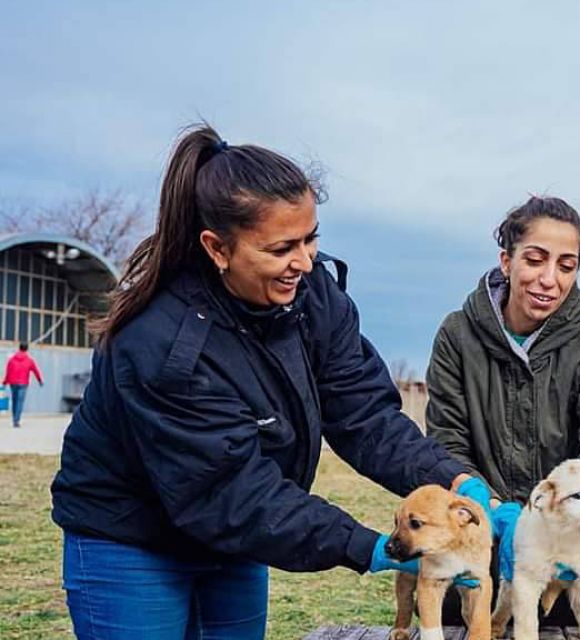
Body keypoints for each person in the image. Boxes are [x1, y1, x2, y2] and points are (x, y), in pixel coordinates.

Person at [50, 125, 492, 640]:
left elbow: (363, 413)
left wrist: (456, 479)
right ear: (218, 248)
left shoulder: (310, 296)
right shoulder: (163, 343)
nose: (304, 262)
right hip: (133, 539)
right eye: (282, 247)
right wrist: (366, 546)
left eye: (311, 238)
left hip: (234, 538)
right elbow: (231, 490)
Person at [425, 195, 580, 624]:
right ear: (506, 260)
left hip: (562, 552)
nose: (549, 279)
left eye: (566, 265)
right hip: (474, 545)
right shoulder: (457, 336)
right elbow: (447, 441)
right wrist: (490, 508)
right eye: (535, 260)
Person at [4, 341, 43, 428]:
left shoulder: (12, 360)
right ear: (27, 349)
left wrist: (5, 382)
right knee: (20, 402)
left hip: (13, 383)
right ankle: (17, 420)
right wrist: (40, 380)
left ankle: (15, 419)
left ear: (19, 348)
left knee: (14, 401)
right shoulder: (29, 360)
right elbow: (36, 371)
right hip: (23, 383)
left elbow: (8, 372)